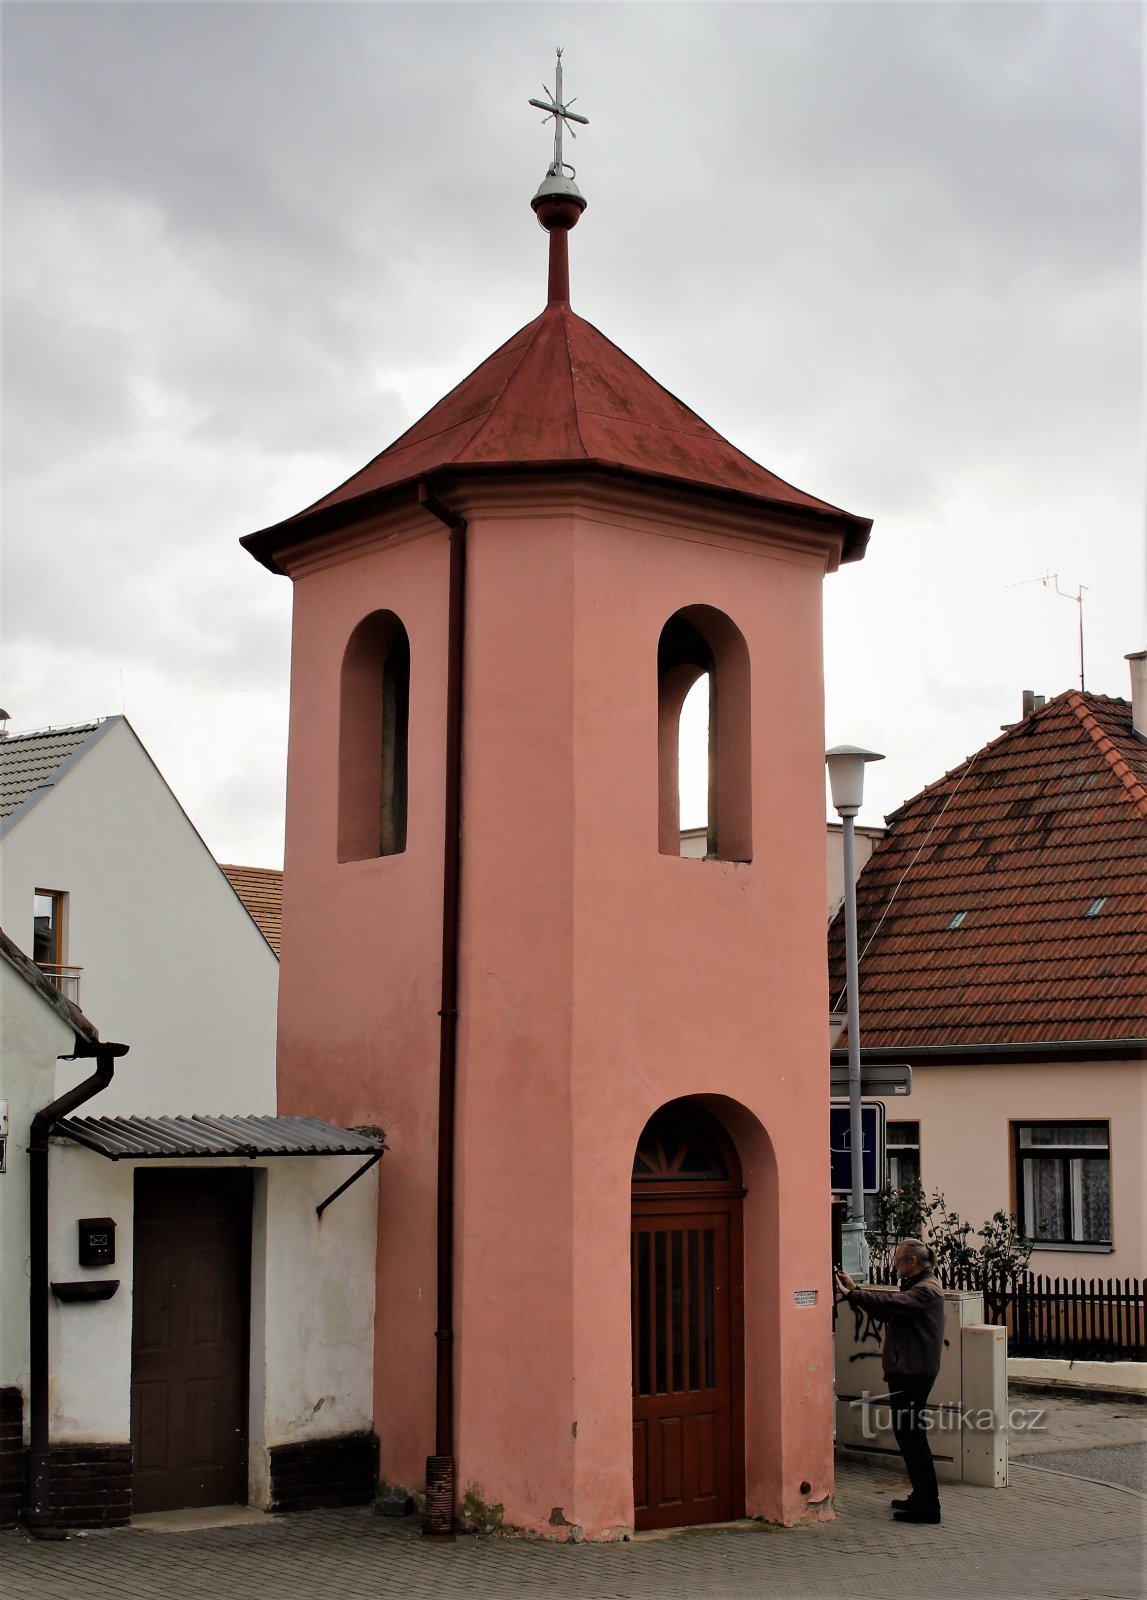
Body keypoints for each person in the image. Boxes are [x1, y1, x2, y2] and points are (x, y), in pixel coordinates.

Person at [836, 1239, 946, 1524]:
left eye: (898, 1261)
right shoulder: (917, 1286)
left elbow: (893, 1303)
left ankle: (928, 1506)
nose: (895, 1265)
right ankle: (920, 1497)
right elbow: (887, 1310)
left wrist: (855, 1296)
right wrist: (856, 1292)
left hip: (914, 1373)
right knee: (908, 1435)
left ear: (912, 1262)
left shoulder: (926, 1291)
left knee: (912, 1436)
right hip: (907, 1371)